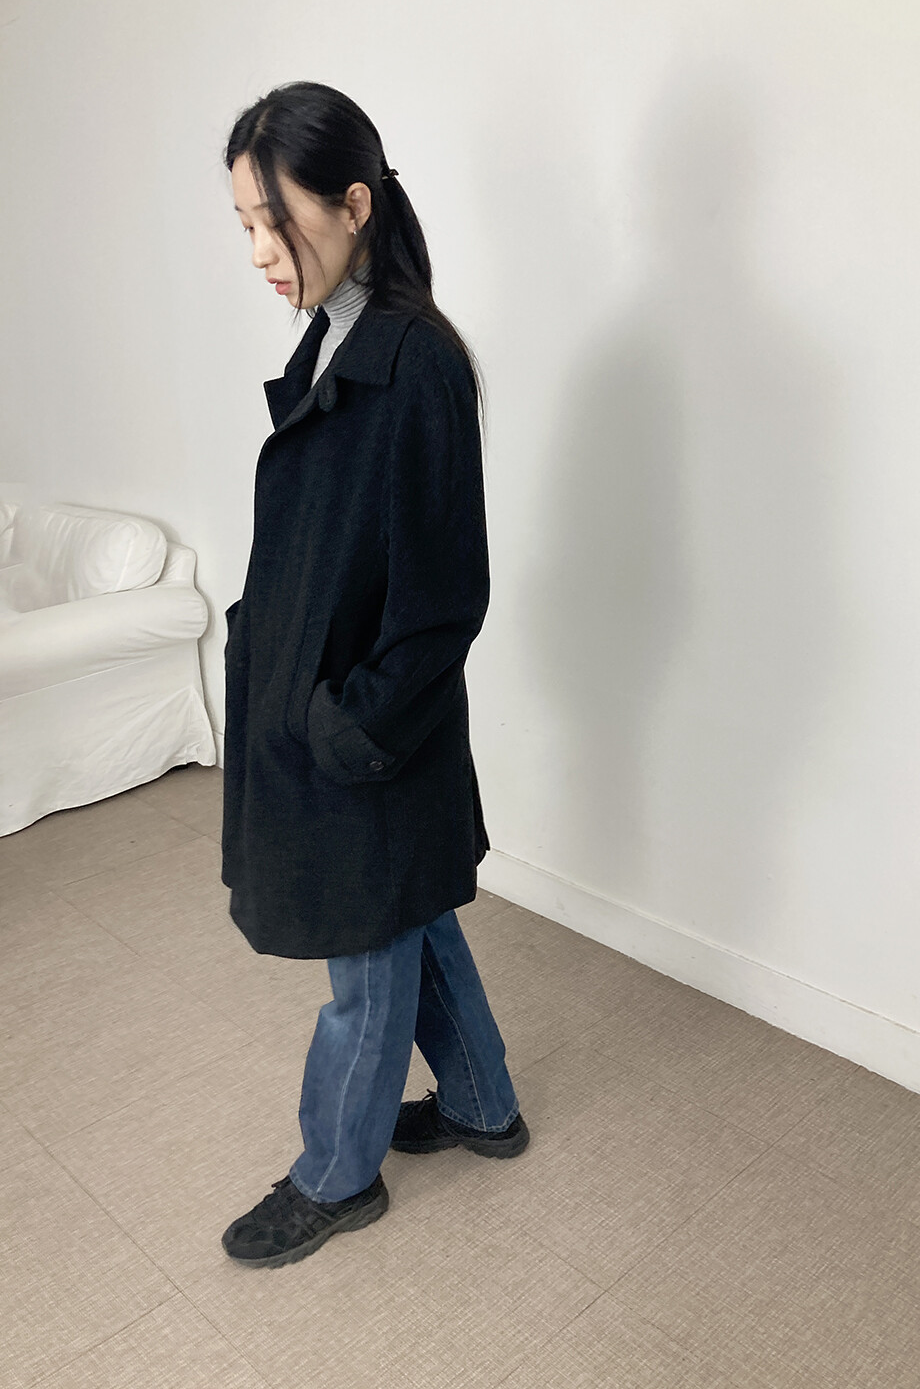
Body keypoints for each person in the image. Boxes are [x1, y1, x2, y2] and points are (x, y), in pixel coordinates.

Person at [218, 82, 529, 1269]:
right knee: (409, 913)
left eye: (274, 221)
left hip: (373, 728)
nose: (259, 252)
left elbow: (446, 597)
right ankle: (484, 1106)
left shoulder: (417, 362)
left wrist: (345, 723)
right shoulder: (335, 337)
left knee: (365, 958)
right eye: (244, 225)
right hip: (337, 713)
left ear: (353, 205)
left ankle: (335, 1175)